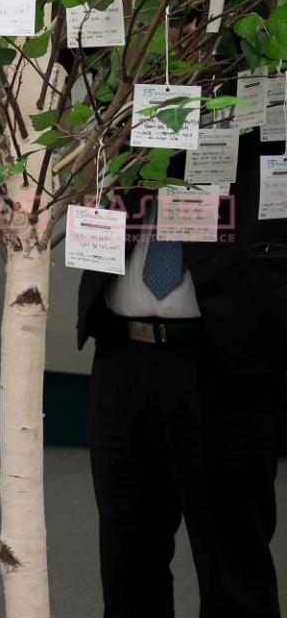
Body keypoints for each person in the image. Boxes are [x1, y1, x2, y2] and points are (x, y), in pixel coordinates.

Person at [77, 125, 287, 617]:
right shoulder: (128, 109)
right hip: (122, 358)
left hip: (222, 363)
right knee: (128, 560)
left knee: (234, 564)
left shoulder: (257, 106)